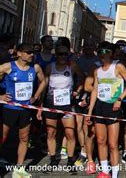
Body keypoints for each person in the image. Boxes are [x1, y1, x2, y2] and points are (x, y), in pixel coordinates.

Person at [86, 41, 126, 178]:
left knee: (113, 144)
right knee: (101, 141)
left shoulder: (117, 66)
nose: (103, 55)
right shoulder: (97, 70)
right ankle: (105, 171)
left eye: (106, 52)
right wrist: (90, 112)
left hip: (113, 106)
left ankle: (114, 174)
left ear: (111, 53)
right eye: (100, 52)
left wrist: (120, 99)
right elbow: (95, 90)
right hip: (100, 107)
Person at [0, 43, 46, 177]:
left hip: (26, 109)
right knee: (2, 137)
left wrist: (36, 96)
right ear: (19, 53)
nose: (32, 54)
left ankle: (19, 169)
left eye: (32, 52)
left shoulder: (35, 68)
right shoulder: (8, 67)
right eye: (28, 52)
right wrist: (1, 96)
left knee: (24, 138)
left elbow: (44, 81)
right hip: (10, 108)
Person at [38, 44, 83, 173]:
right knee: (51, 133)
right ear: (55, 54)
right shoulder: (49, 67)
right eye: (60, 54)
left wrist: (77, 90)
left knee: (70, 133)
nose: (63, 56)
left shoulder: (72, 65)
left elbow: (82, 78)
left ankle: (70, 161)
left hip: (67, 104)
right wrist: (40, 105)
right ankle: (53, 160)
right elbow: (44, 86)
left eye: (65, 54)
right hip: (51, 103)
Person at [74, 38, 100, 166]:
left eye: (91, 45)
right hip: (79, 94)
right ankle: (83, 149)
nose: (89, 47)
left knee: (87, 126)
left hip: (91, 96)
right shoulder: (78, 60)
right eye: (87, 45)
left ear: (94, 47)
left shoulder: (98, 62)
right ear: (83, 47)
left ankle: (85, 151)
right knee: (78, 125)